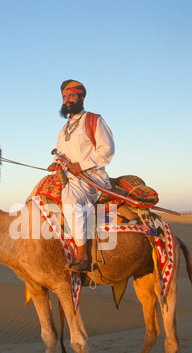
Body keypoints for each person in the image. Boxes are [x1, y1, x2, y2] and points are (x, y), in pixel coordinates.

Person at [47, 79, 115, 272]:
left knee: (71, 200)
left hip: (92, 178)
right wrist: (56, 164)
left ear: (81, 97)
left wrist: (82, 166)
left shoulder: (94, 120)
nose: (66, 99)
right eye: (64, 97)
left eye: (71, 95)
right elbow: (62, 156)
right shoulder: (63, 130)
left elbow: (106, 149)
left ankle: (82, 257)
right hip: (70, 176)